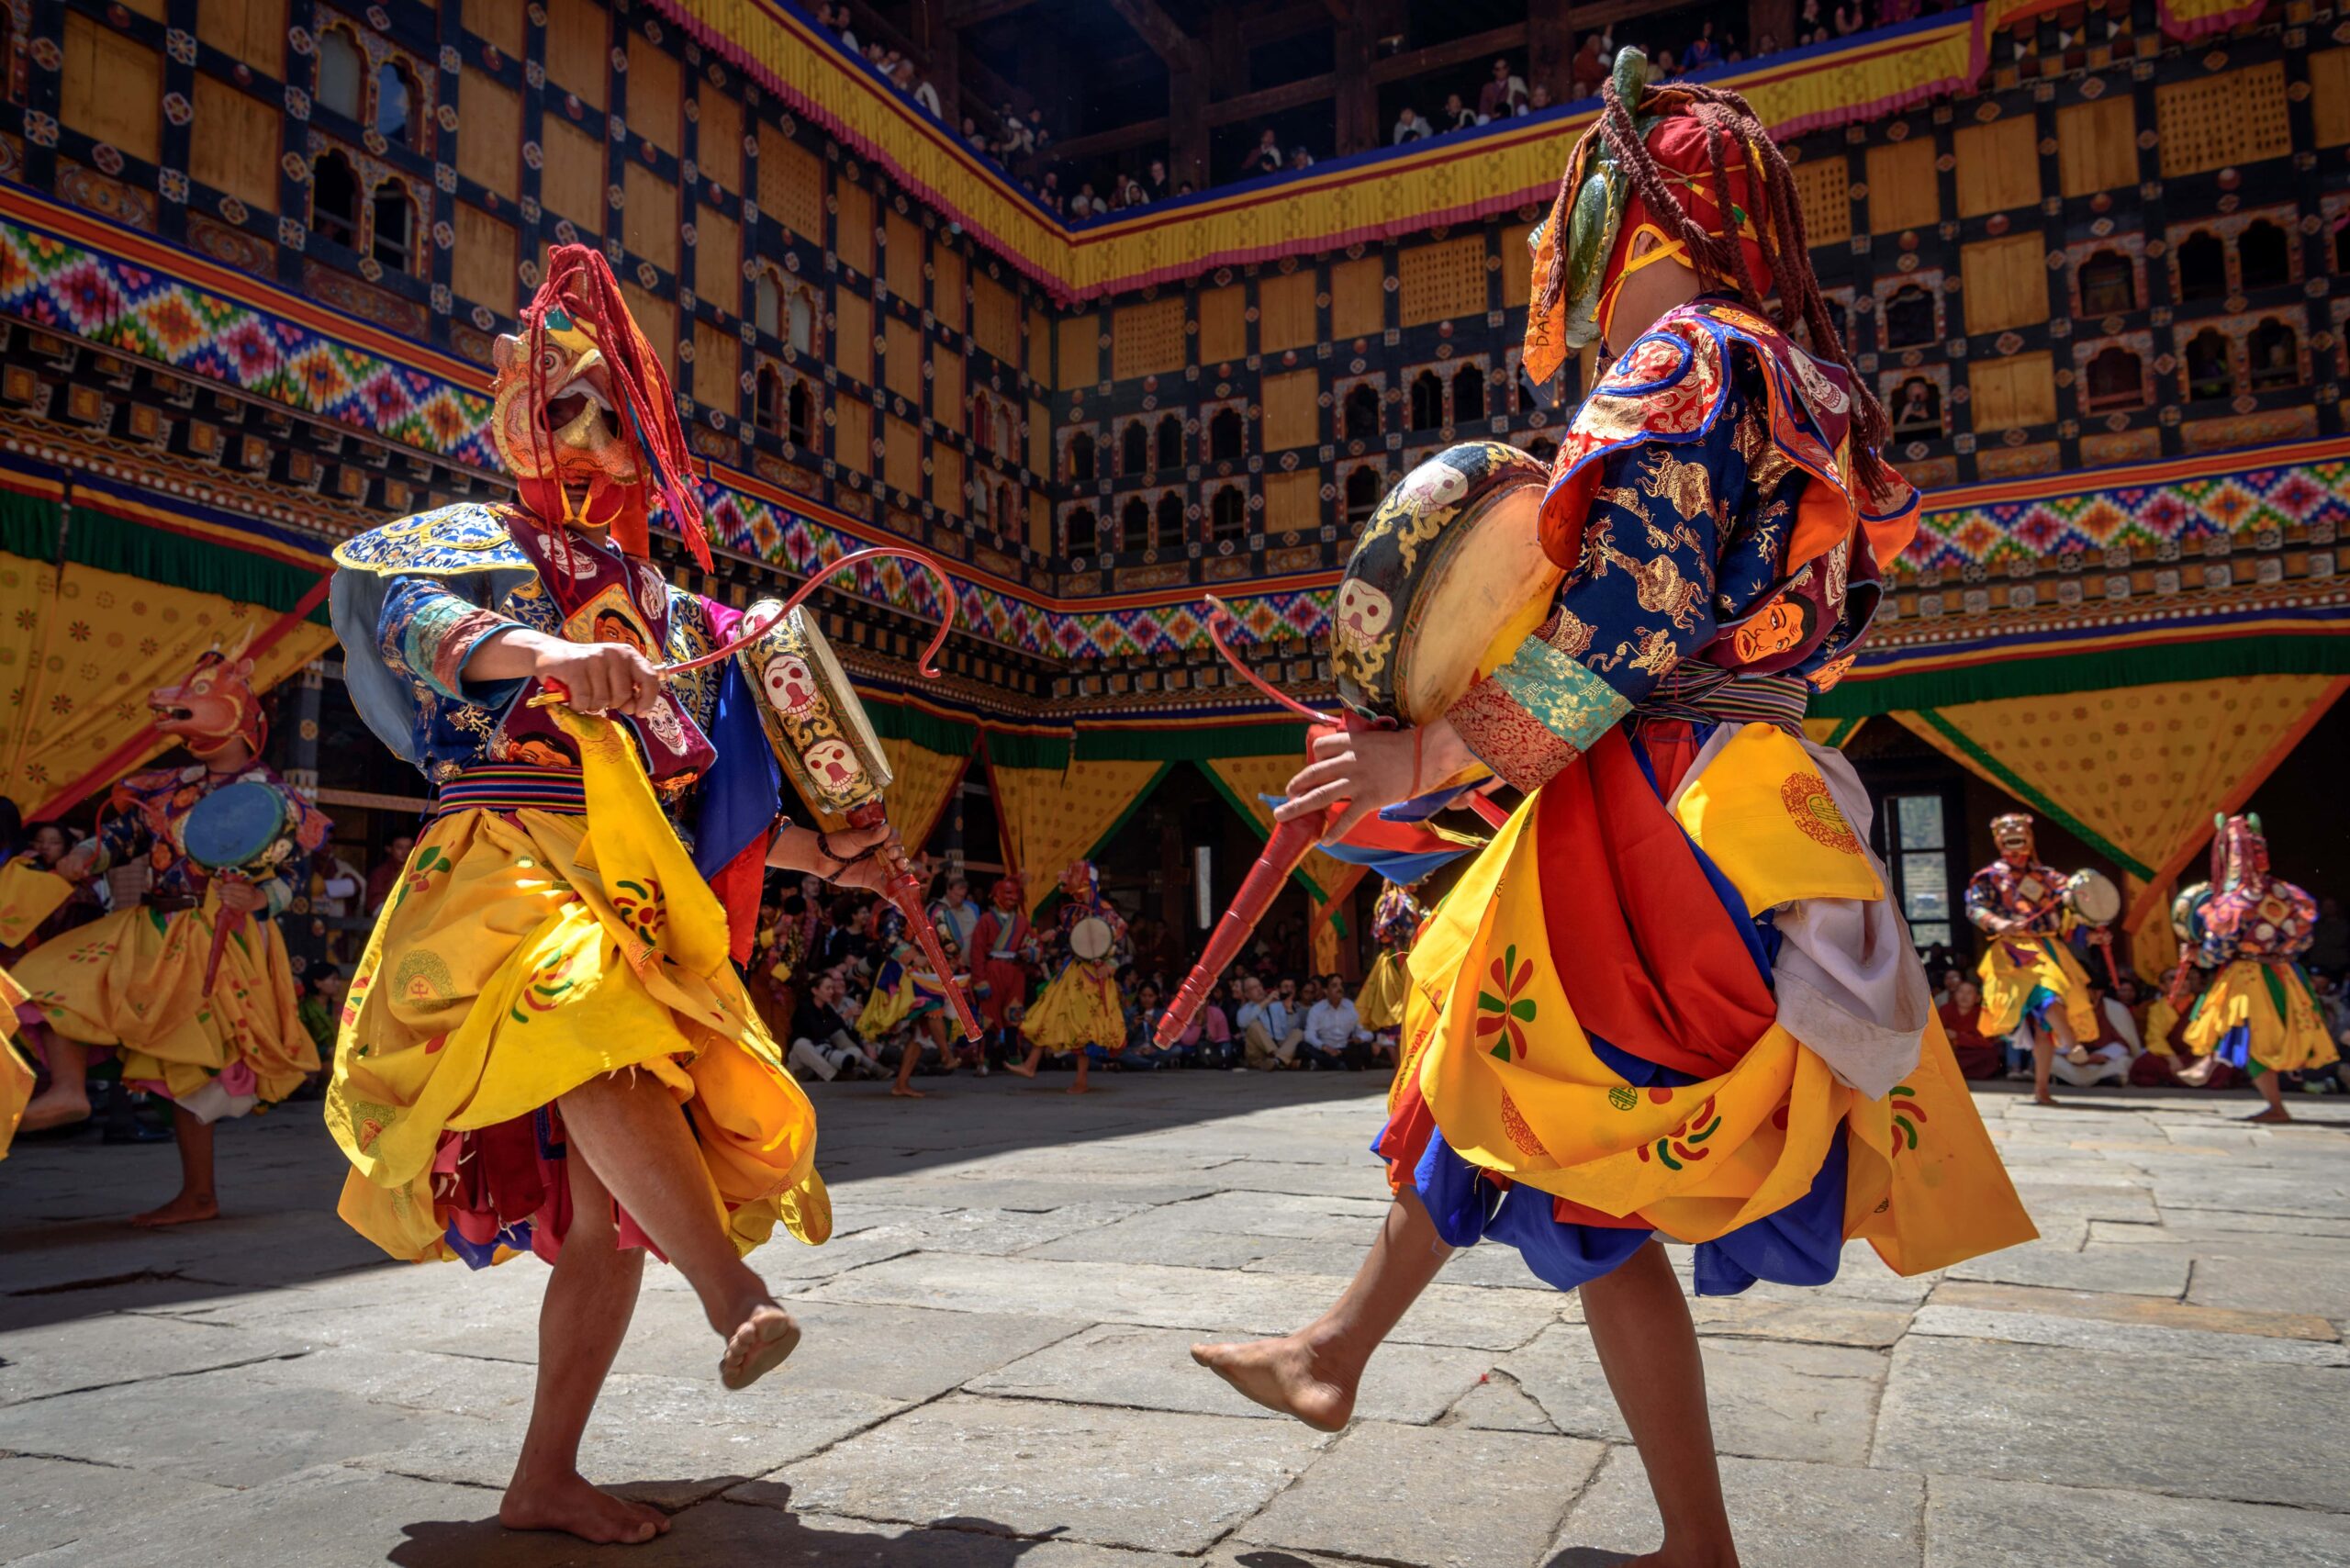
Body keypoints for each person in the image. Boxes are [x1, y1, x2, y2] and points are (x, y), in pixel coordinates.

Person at [1188, 54, 2033, 1566]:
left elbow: (1624, 623)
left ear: (1637, 223)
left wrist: (1424, 753)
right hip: (1757, 791)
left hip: (1656, 808)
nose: (1566, 272)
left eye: (1579, 227)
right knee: (1540, 1132)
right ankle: (1416, 1391)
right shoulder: (1807, 380)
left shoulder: (1687, 364)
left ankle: (1343, 1356)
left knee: (1511, 1083)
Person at [320, 245, 912, 1545]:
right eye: (567, 406)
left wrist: (833, 859)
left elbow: (708, 802)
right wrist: (553, 653)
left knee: (597, 1221)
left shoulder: (675, 606)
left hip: (634, 875)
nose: (591, 437)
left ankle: (543, 1478)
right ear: (521, 414)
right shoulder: (465, 544)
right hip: (504, 864)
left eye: (618, 418)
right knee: (587, 1012)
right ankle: (729, 1291)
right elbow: (426, 628)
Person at [13, 648, 330, 1222]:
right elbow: (124, 836)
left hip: (215, 941)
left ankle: (199, 1195)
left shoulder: (271, 795)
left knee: (186, 1067)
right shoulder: (167, 785)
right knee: (40, 982)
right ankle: (68, 1089)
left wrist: (259, 897)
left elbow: (293, 875)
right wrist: (85, 854)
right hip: (150, 925)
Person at [2177, 813, 2335, 1122]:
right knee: (2254, 1033)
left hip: (2248, 976)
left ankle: (2267, 1102)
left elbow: (2216, 952)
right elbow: (2303, 940)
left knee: (2243, 1029)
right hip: (2285, 974)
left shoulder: (2234, 902)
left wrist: (2198, 957)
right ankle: (2211, 1066)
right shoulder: (2288, 894)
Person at [1965, 813, 2105, 1107]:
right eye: (2007, 830)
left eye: (2020, 829)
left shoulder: (2051, 878)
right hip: (2016, 951)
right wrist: (1998, 923)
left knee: (2045, 1025)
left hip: (2051, 950)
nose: (2014, 834)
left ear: (2030, 836)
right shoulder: (1989, 877)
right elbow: (1974, 907)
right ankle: (2073, 1045)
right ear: (1998, 840)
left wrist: (2092, 933)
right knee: (2048, 994)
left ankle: (2041, 1089)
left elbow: (2072, 916)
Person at [1009, 860, 1127, 1092]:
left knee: (1082, 1025)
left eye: (1080, 887)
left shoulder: (1104, 911)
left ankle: (1081, 1080)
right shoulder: (1074, 910)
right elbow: (1069, 933)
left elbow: (1119, 936)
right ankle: (1030, 1064)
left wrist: (1111, 964)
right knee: (1048, 1012)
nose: (1077, 893)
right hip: (1072, 971)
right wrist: (1052, 935)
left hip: (1094, 975)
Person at [1356, 885, 1426, 1067]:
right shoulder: (1399, 900)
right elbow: (1392, 931)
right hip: (1399, 958)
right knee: (1399, 1015)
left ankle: (1401, 1070)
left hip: (1399, 957)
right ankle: (1400, 1069)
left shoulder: (1394, 899)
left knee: (1401, 1015)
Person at [1938, 978, 2004, 1080]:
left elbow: (1987, 1042)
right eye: (1961, 992)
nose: (1964, 996)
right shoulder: (1945, 1010)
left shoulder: (1983, 1014)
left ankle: (1954, 1072)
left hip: (1972, 1052)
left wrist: (1958, 1037)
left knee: (1990, 1055)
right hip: (1950, 1051)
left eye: (1969, 993)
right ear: (1954, 995)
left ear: (1977, 998)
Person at [1234, 973, 1301, 1070]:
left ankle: (1277, 1061)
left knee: (1298, 1032)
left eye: (1260, 985)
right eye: (1253, 988)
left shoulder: (1278, 1005)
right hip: (1258, 1052)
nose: (1259, 989)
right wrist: (1266, 1002)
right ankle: (1282, 1060)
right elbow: (1243, 1023)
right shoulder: (1244, 1010)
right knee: (1254, 1025)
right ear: (1247, 994)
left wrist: (1289, 1011)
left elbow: (1289, 1030)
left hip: (1279, 1044)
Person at [1302, 973, 1368, 1069]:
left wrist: (1359, 1038)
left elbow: (1366, 1032)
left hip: (1345, 1049)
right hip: (1324, 1049)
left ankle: (1326, 1063)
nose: (1339, 988)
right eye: (1334, 986)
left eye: (1341, 985)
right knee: (1303, 1046)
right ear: (1325, 990)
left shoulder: (1352, 1007)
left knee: (1366, 1047)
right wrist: (1324, 1047)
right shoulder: (1317, 1009)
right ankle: (1338, 1064)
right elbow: (1309, 1034)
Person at [366, 832, 416, 913]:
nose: (405, 852)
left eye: (409, 848)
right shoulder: (380, 874)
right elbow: (375, 903)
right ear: (388, 848)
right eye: (400, 848)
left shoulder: (417, 871)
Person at [1478, 57, 1529, 122]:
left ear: (1508, 69)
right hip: (1494, 124)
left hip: (1514, 122)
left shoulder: (1516, 82)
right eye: (1498, 69)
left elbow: (1521, 104)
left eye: (1504, 68)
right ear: (1493, 72)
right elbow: (1484, 111)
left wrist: (1526, 121)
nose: (1502, 71)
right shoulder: (1487, 88)